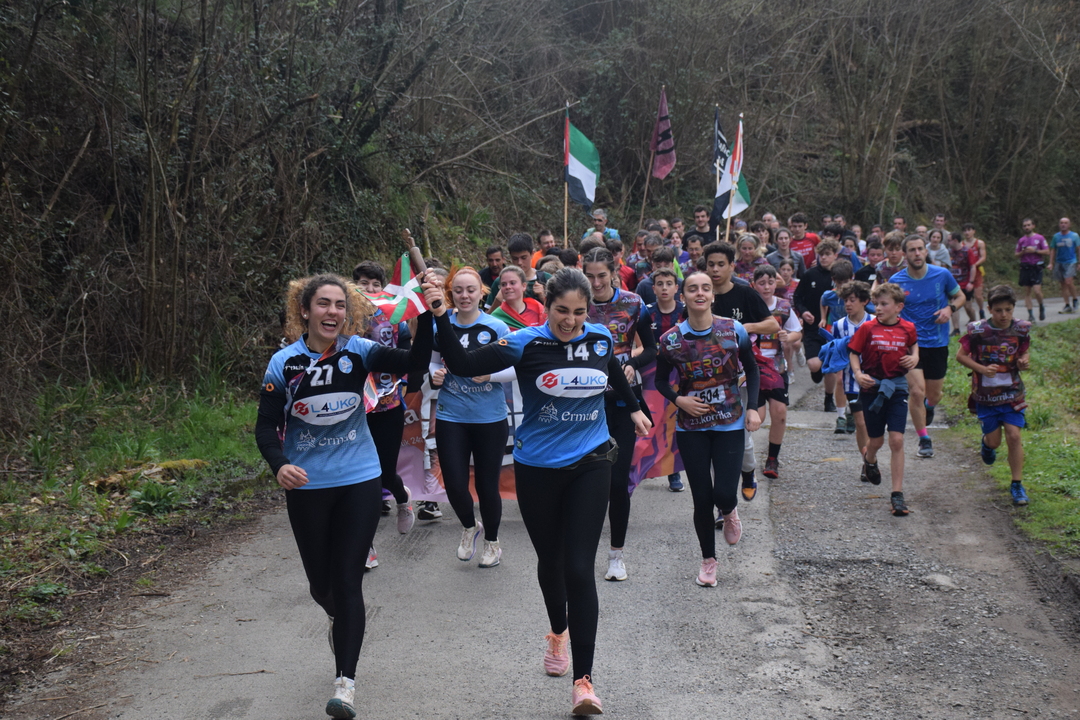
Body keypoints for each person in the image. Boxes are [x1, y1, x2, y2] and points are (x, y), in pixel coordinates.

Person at [423, 268, 651, 716]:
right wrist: (440, 316)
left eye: (579, 312)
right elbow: (464, 365)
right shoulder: (524, 342)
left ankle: (584, 682)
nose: (570, 321)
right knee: (552, 562)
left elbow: (609, 368)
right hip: (538, 468)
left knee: (579, 569)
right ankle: (557, 632)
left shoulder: (601, 337)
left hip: (591, 461)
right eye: (562, 311)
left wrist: (634, 408)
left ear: (589, 311)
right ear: (547, 306)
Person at [255, 273, 433, 719]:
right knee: (322, 585)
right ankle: (336, 617)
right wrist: (279, 464)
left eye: (339, 305)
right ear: (305, 311)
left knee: (349, 580)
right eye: (323, 304)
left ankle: (345, 683)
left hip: (359, 479)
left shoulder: (361, 351)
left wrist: (429, 313)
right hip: (308, 486)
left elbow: (416, 361)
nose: (332, 311)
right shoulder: (284, 363)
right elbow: (266, 426)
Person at [654, 270, 761, 587]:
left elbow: (752, 369)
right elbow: (660, 381)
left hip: (730, 422)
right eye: (692, 289)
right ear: (682, 297)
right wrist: (679, 400)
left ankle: (729, 510)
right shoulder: (670, 340)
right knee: (702, 498)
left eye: (705, 288)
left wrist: (753, 408)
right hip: (691, 428)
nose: (699, 293)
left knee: (724, 492)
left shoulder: (733, 330)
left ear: (713, 296)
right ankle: (708, 562)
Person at [582, 247, 657, 582]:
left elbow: (652, 348)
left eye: (602, 276)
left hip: (624, 401)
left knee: (617, 480)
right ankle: (581, 553)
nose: (596, 283)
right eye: (590, 276)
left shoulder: (633, 303)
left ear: (614, 272)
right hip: (585, 402)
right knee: (588, 480)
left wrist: (632, 364)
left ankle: (616, 556)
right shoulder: (576, 301)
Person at [428, 267, 511, 567]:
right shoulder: (442, 324)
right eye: (458, 290)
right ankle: (468, 525)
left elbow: (516, 367)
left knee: (488, 486)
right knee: (454, 483)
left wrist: (490, 374)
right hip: (451, 415)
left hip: (490, 417)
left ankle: (492, 542)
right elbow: (432, 362)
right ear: (451, 293)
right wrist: (434, 374)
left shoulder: (496, 327)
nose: (464, 296)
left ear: (481, 293)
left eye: (471, 290)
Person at [703, 241, 779, 502]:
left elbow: (772, 324)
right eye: (711, 265)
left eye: (720, 264)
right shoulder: (701, 294)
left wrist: (745, 327)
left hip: (742, 375)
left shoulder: (745, 293)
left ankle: (748, 472)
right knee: (712, 438)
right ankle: (722, 504)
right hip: (707, 378)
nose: (715, 270)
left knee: (742, 438)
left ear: (731, 266)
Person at [353, 261, 416, 563]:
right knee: (360, 478)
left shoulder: (395, 318)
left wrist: (402, 383)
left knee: (385, 473)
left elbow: (407, 356)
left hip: (387, 403)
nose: (369, 289)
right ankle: (365, 545)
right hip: (352, 407)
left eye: (375, 284)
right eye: (363, 283)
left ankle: (402, 498)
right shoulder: (344, 316)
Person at [889, 234, 966, 459]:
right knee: (916, 392)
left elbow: (960, 296)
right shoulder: (896, 280)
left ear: (925, 251)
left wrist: (949, 309)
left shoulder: (942, 274)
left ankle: (929, 406)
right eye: (912, 250)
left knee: (934, 394)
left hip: (937, 342)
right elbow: (888, 308)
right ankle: (924, 439)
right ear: (905, 254)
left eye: (920, 249)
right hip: (910, 345)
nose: (917, 253)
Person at [956, 285, 1032, 505]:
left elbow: (1024, 351)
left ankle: (1017, 484)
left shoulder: (1020, 329)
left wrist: (1024, 361)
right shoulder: (978, 330)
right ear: (989, 309)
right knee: (995, 442)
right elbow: (961, 356)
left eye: (1008, 310)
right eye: (998, 310)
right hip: (986, 396)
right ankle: (987, 444)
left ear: (1013, 308)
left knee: (1014, 436)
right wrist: (981, 369)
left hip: (1012, 393)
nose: (1004, 315)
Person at [848, 282, 919, 516]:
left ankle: (897, 495)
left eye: (884, 304)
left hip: (897, 387)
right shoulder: (867, 328)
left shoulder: (908, 328)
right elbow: (854, 353)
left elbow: (914, 347)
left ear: (898, 307)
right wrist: (858, 374)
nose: (878, 308)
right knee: (876, 441)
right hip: (872, 388)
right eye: (876, 304)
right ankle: (869, 459)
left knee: (896, 440)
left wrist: (915, 358)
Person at [751, 265, 801, 479]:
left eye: (770, 283)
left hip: (777, 368)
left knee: (779, 413)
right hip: (752, 367)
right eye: (761, 283)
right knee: (757, 416)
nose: (766, 287)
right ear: (754, 285)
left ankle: (772, 458)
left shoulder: (783, 306)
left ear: (776, 284)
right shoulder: (748, 305)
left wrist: (788, 337)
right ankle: (745, 457)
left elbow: (797, 332)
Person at [643, 267, 686, 492]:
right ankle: (643, 466)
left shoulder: (685, 311)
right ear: (653, 288)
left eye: (669, 283)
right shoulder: (645, 312)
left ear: (677, 288)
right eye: (660, 284)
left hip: (681, 373)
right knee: (652, 421)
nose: (664, 288)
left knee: (674, 422)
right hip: (652, 375)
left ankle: (673, 471)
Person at [793, 239, 842, 411]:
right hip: (813, 327)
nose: (824, 258)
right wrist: (803, 311)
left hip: (834, 329)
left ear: (835, 255)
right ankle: (816, 371)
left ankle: (829, 400)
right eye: (821, 255)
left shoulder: (839, 277)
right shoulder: (810, 275)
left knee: (830, 367)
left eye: (828, 254)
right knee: (815, 365)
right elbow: (797, 297)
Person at [833, 281, 872, 458]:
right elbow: (836, 351)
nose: (848, 304)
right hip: (851, 380)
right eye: (845, 300)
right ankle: (867, 461)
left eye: (852, 300)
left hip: (874, 379)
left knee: (872, 423)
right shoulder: (839, 325)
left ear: (864, 301)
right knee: (861, 422)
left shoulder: (875, 322)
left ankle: (871, 455)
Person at [485, 234, 550, 309]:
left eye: (524, 258)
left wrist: (543, 298)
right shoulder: (501, 282)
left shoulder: (546, 279)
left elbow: (557, 312)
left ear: (532, 254)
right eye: (515, 258)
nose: (519, 262)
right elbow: (486, 315)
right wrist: (497, 301)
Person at [489, 265, 546, 329]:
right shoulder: (496, 316)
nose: (508, 287)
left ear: (524, 286)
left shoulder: (538, 309)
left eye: (512, 283)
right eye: (503, 284)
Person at [1015, 218, 1049, 321]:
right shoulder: (1021, 240)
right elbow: (1016, 254)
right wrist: (1023, 252)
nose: (1027, 227)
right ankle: (1030, 315)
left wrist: (1035, 251)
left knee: (1037, 291)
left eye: (1028, 225)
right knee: (1027, 291)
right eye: (1025, 226)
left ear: (1033, 226)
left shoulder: (1040, 238)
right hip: (1025, 267)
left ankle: (1041, 306)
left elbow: (1047, 251)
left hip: (1036, 267)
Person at [946, 231, 977, 334]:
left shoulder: (967, 251)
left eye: (949, 240)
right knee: (954, 305)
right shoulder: (948, 252)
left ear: (955, 240)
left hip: (965, 282)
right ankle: (956, 329)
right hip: (953, 284)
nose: (948, 242)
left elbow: (972, 266)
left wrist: (971, 282)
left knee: (968, 306)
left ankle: (974, 322)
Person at [1049, 217, 1078, 313]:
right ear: (1059, 224)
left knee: (1068, 281)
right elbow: (1053, 249)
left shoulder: (1074, 236)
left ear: (1069, 225)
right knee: (1063, 284)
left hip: (1071, 261)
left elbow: (1078, 249)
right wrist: (1051, 263)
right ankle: (1067, 305)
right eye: (1061, 223)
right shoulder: (1056, 237)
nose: (1063, 225)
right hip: (1059, 262)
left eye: (1065, 223)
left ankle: (1075, 299)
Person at [961, 223, 989, 319]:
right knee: (966, 297)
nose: (967, 232)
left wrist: (973, 265)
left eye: (969, 230)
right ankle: (971, 316)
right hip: (965, 273)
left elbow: (983, 257)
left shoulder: (979, 243)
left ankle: (981, 310)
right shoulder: (961, 244)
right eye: (965, 230)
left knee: (978, 295)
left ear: (974, 231)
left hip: (977, 271)